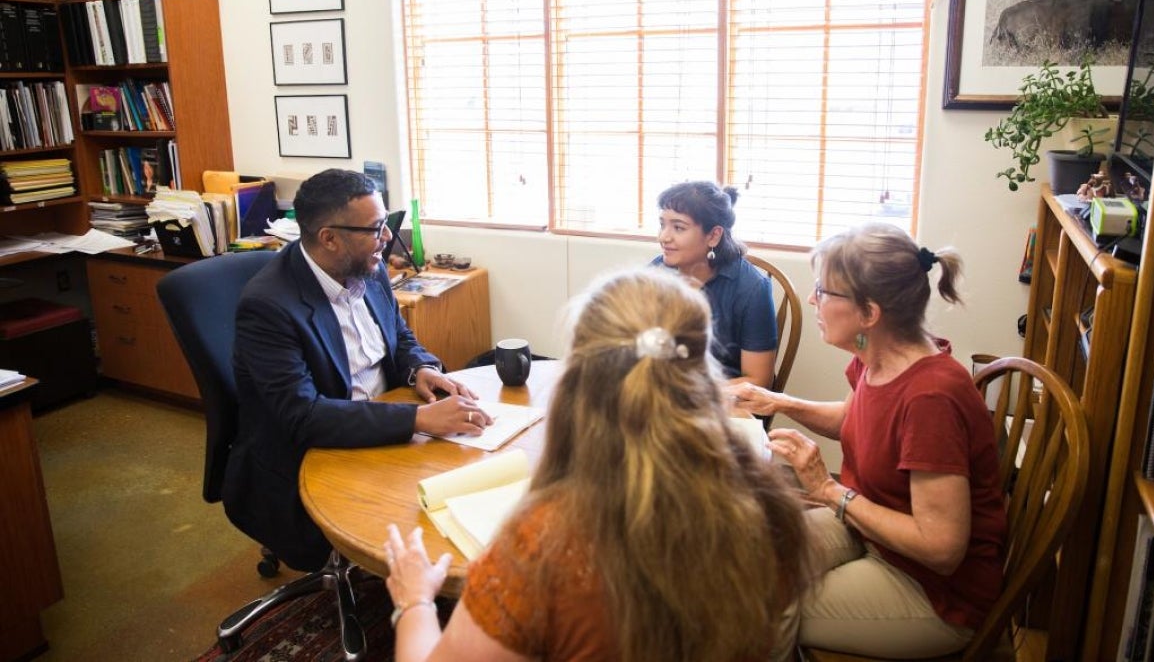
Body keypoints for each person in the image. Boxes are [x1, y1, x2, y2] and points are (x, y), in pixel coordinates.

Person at [382, 267, 811, 662]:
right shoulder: (770, 505)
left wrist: (414, 602)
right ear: (701, 373)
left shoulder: (542, 548)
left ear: (578, 382)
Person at [730, 223, 1006, 658]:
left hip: (932, 591)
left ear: (869, 313)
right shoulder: (878, 358)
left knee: (754, 605)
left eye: (823, 291)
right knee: (744, 562)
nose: (812, 299)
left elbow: (941, 548)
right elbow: (854, 420)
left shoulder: (931, 398)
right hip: (872, 530)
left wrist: (827, 490)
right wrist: (778, 401)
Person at [223, 168, 493, 572]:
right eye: (376, 228)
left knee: (477, 483)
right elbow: (304, 416)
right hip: (316, 453)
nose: (387, 238)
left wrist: (419, 367)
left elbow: (399, 337)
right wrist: (419, 418)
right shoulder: (268, 307)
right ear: (329, 237)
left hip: (387, 424)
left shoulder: (369, 266)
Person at [653, 181, 777, 388]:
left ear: (713, 235)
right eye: (662, 224)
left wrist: (685, 392)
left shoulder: (752, 289)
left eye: (678, 227)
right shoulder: (655, 275)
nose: (663, 237)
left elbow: (758, 381)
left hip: (722, 402)